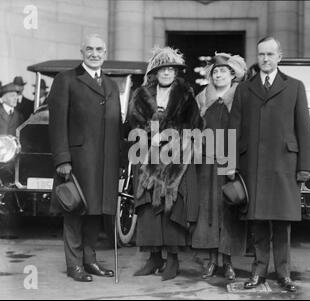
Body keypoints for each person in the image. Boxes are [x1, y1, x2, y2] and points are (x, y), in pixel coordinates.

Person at [229, 36, 310, 292]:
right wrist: (229, 164)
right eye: (261, 54)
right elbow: (233, 128)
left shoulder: (295, 86)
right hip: (251, 164)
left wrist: (305, 166)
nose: (265, 59)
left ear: (280, 56)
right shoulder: (244, 89)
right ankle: (258, 271)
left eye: (270, 54)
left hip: (284, 164)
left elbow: (303, 129)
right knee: (257, 221)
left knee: (281, 221)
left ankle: (284, 273)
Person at [48, 34, 121, 282]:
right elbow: (57, 124)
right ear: (82, 51)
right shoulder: (66, 79)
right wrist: (62, 159)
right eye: (89, 49)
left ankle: (90, 261)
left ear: (105, 52)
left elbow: (116, 125)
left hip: (104, 162)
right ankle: (74, 265)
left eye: (99, 49)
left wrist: (118, 161)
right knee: (74, 210)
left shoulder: (111, 85)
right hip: (78, 160)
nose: (94, 53)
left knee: (96, 212)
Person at [128, 46, 203, 281]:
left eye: (171, 69)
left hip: (175, 160)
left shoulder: (186, 94)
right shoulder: (141, 94)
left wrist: (172, 134)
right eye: (163, 69)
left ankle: (172, 261)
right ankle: (153, 259)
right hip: (148, 159)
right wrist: (150, 134)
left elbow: (196, 126)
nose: (167, 73)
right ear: (155, 72)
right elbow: (132, 124)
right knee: (149, 208)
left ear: (176, 72)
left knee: (172, 206)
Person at [191, 53, 247, 281]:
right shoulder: (201, 99)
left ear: (232, 74)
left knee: (229, 210)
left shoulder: (241, 98)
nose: (219, 74)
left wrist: (234, 161)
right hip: (206, 163)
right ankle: (212, 261)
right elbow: (193, 130)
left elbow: (243, 132)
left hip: (230, 163)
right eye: (215, 71)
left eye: (224, 71)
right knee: (209, 211)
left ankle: (229, 262)